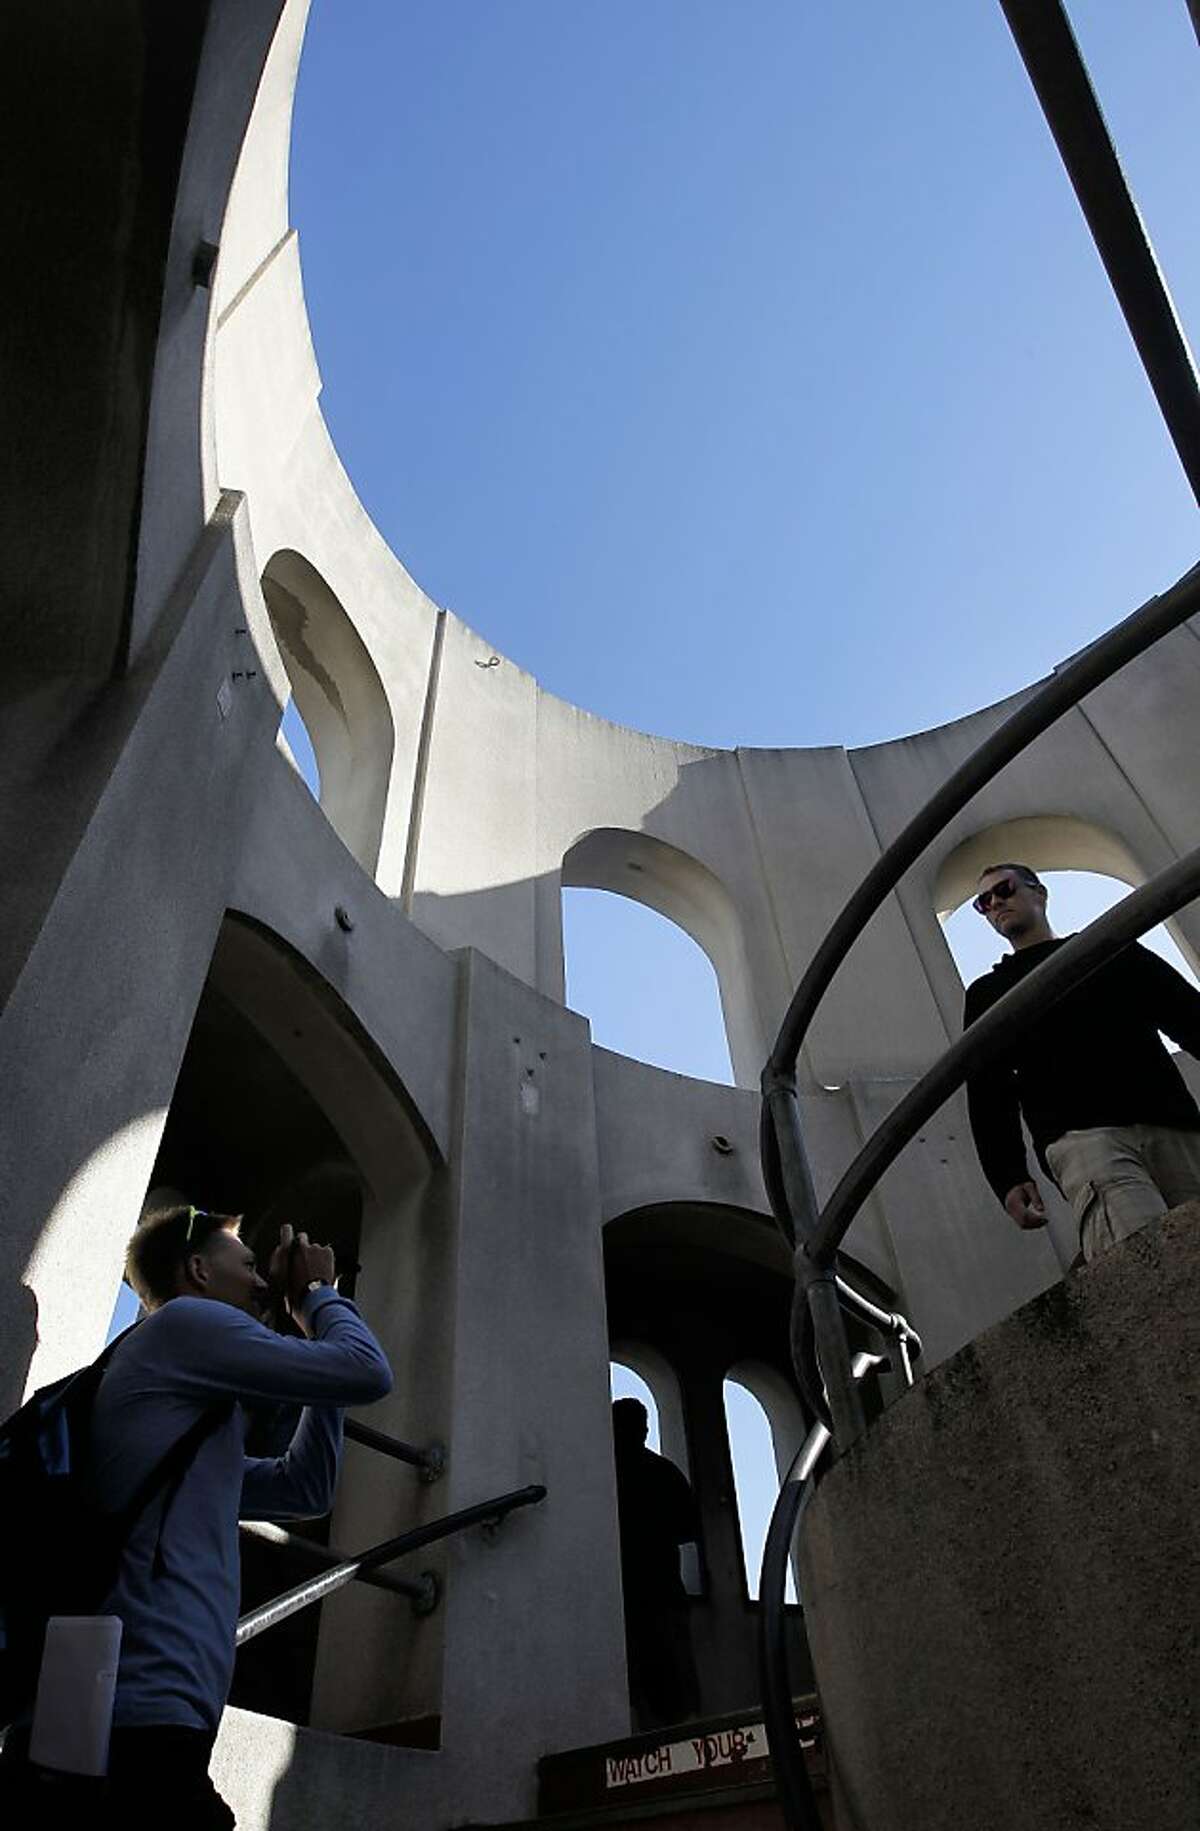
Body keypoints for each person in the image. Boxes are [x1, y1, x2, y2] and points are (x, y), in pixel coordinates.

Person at [6, 1203, 393, 1827]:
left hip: (124, 1719)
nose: (263, 1280)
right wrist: (318, 1293)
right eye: (246, 1264)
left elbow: (305, 1488)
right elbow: (368, 1371)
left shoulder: (178, 1422)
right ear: (198, 1272)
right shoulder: (183, 1325)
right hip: (132, 1721)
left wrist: (322, 1362)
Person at [963, 862, 1200, 1262]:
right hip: (1084, 1141)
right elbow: (989, 1093)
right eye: (983, 902)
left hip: (1174, 1126)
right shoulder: (989, 994)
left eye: (1003, 889)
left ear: (1039, 893)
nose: (994, 903)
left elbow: (1190, 1018)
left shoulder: (1111, 950)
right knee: (1144, 1264)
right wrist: (1007, 1176)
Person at [611, 1398, 701, 1729]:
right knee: (671, 1684)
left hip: (627, 1593)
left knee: (637, 1684)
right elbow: (689, 1528)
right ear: (644, 1429)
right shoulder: (664, 1473)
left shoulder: (603, 1477)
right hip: (662, 1591)